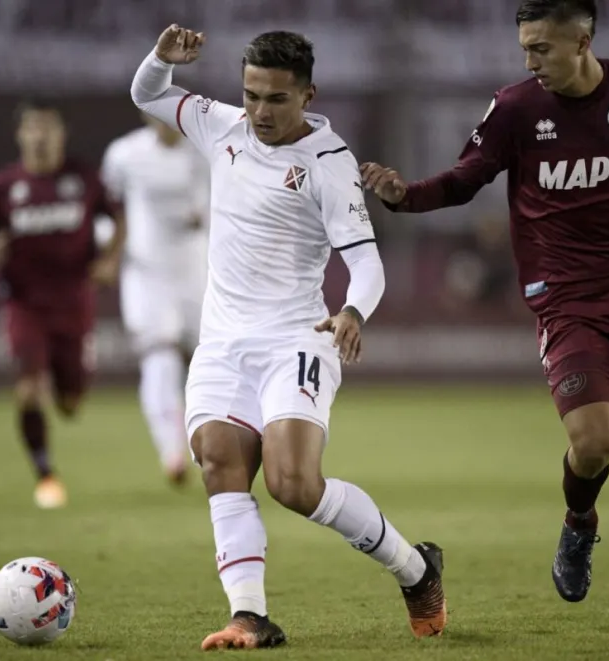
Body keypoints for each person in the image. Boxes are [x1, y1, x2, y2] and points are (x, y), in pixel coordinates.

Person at [360, 0, 609, 631]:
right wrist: (404, 197)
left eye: (541, 48)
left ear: (583, 40)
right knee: (596, 442)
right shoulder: (516, 108)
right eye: (524, 47)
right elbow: (468, 178)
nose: (529, 61)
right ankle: (580, 523)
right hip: (567, 298)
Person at [131, 25, 447, 650]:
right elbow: (147, 96)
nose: (260, 111)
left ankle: (416, 570)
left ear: (307, 94)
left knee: (292, 486)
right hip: (222, 342)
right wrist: (160, 59)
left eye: (275, 98)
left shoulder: (330, 165)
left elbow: (367, 262)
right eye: (251, 95)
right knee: (220, 462)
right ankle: (250, 616)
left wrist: (354, 311)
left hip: (296, 340)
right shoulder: (221, 126)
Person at [0, 99, 125, 509]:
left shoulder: (85, 180)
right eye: (32, 128)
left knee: (70, 403)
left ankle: (63, 387)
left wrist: (109, 260)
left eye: (48, 128)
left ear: (61, 134)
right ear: (20, 135)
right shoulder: (0, 186)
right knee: (29, 389)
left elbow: (119, 219)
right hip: (24, 303)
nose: (40, 136)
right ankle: (46, 474)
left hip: (75, 304)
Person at [101, 112, 210, 486]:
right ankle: (172, 453)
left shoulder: (209, 152)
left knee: (210, 365)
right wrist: (108, 252)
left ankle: (210, 446)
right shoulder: (124, 155)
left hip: (201, 272)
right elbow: (107, 213)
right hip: (146, 273)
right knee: (159, 358)